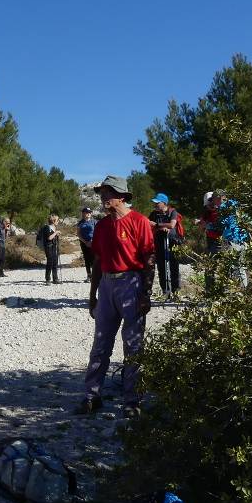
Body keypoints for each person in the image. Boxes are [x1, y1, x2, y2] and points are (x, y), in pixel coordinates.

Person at [78, 175, 155, 419]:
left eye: (107, 192)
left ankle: (132, 401)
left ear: (121, 196)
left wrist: (145, 293)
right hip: (108, 287)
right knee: (100, 344)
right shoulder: (102, 226)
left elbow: (149, 259)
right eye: (101, 192)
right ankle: (92, 396)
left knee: (133, 346)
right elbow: (98, 261)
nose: (102, 197)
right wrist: (93, 296)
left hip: (131, 283)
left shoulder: (139, 221)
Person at [148, 194, 181, 297]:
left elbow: (172, 225)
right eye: (155, 202)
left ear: (164, 203)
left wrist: (157, 225)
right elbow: (148, 223)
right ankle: (165, 291)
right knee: (161, 268)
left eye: (157, 202)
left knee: (174, 267)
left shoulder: (172, 212)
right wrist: (161, 227)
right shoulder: (154, 213)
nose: (155, 204)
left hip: (172, 243)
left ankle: (175, 292)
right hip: (159, 242)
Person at [38, 214, 61, 284]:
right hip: (48, 247)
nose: (58, 221)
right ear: (53, 221)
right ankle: (47, 279)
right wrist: (56, 233)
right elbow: (49, 238)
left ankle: (55, 279)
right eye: (57, 220)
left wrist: (56, 234)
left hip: (54, 247)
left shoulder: (54, 227)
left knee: (55, 262)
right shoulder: (47, 228)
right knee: (50, 262)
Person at [77, 207, 97, 282]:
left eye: (90, 212)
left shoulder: (94, 222)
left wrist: (92, 240)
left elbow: (97, 232)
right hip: (84, 243)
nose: (88, 213)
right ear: (83, 213)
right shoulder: (80, 223)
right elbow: (78, 234)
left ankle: (95, 275)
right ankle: (89, 276)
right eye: (87, 212)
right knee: (87, 259)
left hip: (94, 242)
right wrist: (85, 242)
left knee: (94, 259)